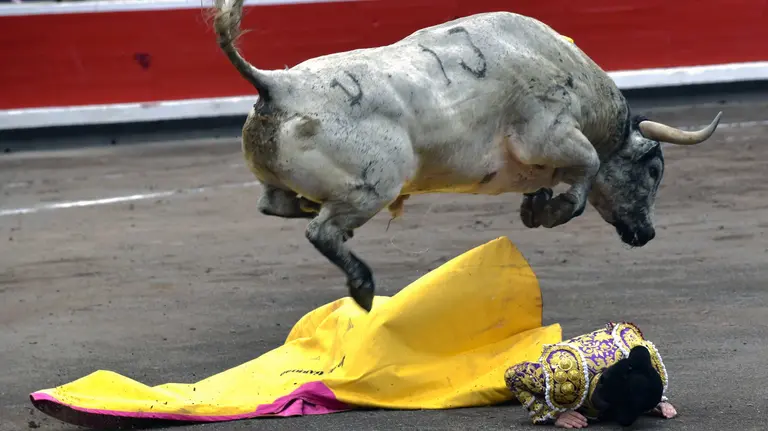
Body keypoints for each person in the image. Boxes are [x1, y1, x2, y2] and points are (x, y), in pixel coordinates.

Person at [505, 321, 678, 428]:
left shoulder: (634, 353)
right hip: (546, 356)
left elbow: (639, 371)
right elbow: (513, 375)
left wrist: (652, 398)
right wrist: (552, 414)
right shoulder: (564, 376)